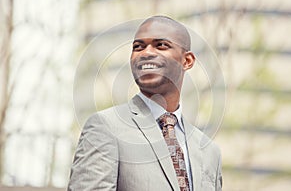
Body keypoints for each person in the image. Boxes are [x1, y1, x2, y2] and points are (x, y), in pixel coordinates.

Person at [68, 16, 222, 191]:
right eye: (138, 47)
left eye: (161, 45)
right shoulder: (105, 127)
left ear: (187, 61)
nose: (146, 53)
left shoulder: (209, 152)